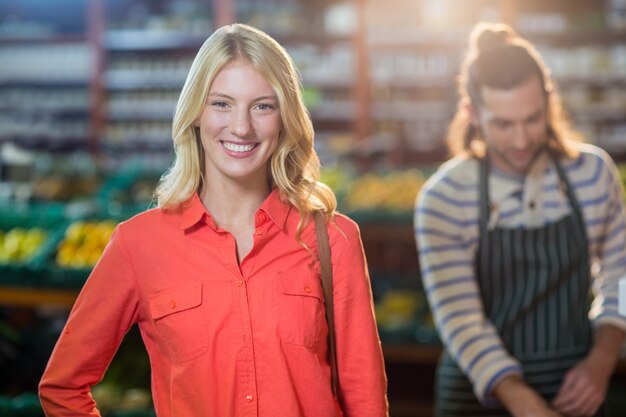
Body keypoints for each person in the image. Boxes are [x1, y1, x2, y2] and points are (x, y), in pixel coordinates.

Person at [39, 23, 388, 417]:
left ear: (285, 117)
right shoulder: (138, 244)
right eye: (221, 103)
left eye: (263, 105)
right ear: (195, 114)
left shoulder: (333, 238)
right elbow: (62, 387)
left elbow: (366, 401)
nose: (241, 127)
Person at [415, 22, 626, 417]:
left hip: (577, 388)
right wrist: (519, 397)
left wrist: (602, 359)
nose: (521, 140)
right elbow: (460, 317)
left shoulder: (594, 174)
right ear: (472, 113)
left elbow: (622, 273)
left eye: (532, 119)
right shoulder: (444, 196)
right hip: (478, 398)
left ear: (549, 101)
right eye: (503, 124)